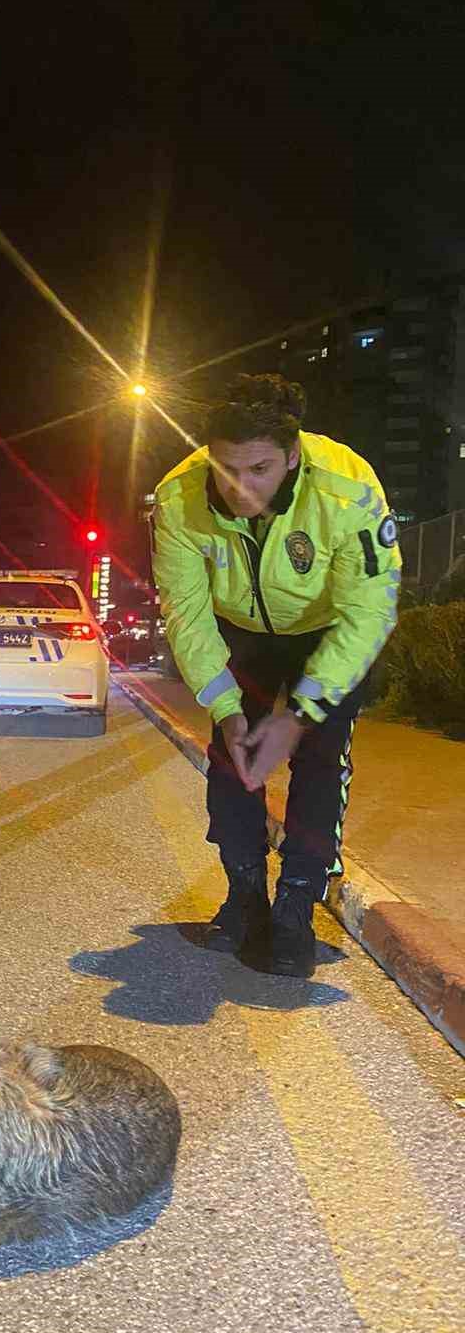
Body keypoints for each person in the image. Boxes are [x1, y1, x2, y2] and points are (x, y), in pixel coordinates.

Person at [151, 374, 401, 978]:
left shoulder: (348, 486)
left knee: (319, 758)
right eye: (225, 467)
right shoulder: (177, 496)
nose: (239, 487)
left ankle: (296, 906)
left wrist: (303, 712)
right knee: (232, 755)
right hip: (240, 628)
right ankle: (244, 897)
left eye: (259, 469)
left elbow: (370, 608)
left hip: (324, 630)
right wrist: (229, 710)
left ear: (292, 456)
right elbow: (185, 612)